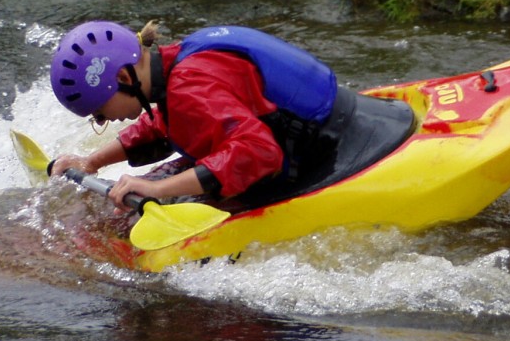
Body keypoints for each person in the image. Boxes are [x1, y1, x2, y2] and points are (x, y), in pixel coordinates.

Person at [48, 20, 345, 210]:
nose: (103, 120)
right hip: (311, 130)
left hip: (320, 153)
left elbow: (257, 150)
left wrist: (157, 189)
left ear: (124, 78)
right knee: (136, 198)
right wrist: (92, 162)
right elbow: (166, 125)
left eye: (99, 113)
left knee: (131, 217)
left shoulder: (188, 85)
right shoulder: (177, 61)